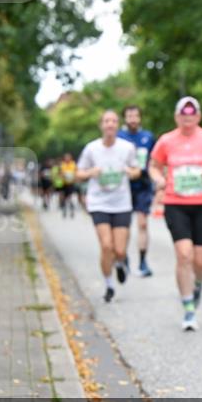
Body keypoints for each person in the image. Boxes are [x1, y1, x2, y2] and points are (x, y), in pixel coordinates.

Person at [148, 96, 202, 331]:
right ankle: (188, 308)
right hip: (176, 203)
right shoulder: (166, 141)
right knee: (184, 255)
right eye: (183, 114)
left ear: (199, 116)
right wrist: (158, 179)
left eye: (192, 114)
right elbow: (154, 165)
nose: (187, 118)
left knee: (200, 261)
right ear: (176, 117)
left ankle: (198, 284)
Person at [76, 110, 141, 303]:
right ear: (101, 125)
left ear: (117, 125)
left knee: (119, 250)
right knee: (106, 246)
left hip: (121, 203)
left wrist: (130, 172)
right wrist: (91, 172)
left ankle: (120, 263)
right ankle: (109, 284)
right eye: (106, 121)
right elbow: (78, 173)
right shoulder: (91, 149)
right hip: (99, 203)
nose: (110, 124)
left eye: (113, 121)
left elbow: (137, 170)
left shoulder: (127, 148)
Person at [118, 105, 157, 277]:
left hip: (143, 186)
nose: (133, 119)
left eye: (136, 116)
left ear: (140, 118)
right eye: (129, 116)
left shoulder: (148, 137)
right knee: (124, 226)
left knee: (142, 224)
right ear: (125, 118)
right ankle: (123, 257)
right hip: (123, 187)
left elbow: (154, 160)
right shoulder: (119, 137)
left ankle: (142, 261)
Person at [59, 152, 77, 218]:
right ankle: (64, 210)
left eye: (68, 157)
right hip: (64, 183)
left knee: (70, 197)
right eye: (66, 157)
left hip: (71, 183)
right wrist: (63, 175)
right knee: (64, 197)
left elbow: (76, 172)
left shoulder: (73, 164)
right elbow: (60, 173)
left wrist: (74, 177)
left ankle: (72, 210)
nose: (67, 158)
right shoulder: (62, 164)